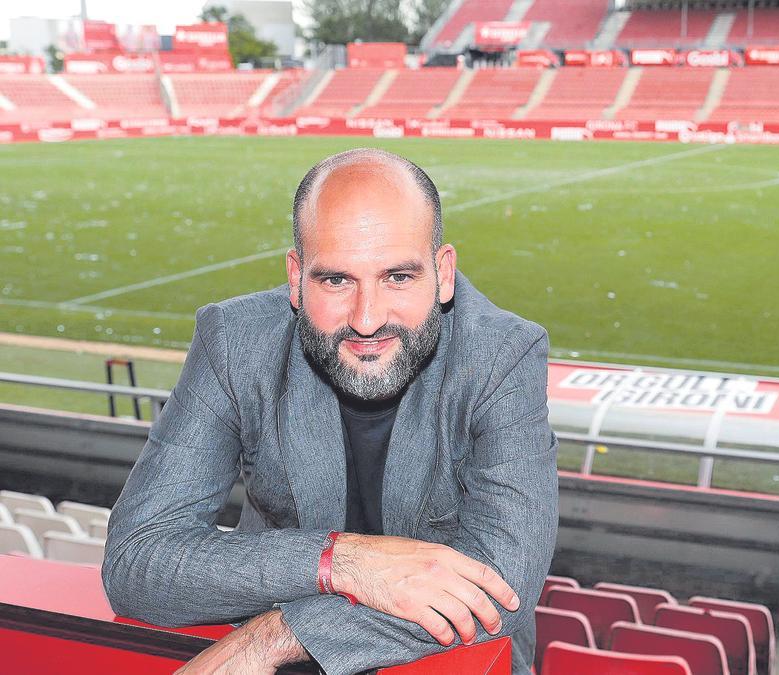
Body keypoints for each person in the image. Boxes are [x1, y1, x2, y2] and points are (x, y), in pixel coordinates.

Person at [101, 148, 559, 675]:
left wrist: (281, 634)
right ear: (296, 279)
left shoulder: (503, 355)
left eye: (399, 278)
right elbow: (137, 562)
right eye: (336, 281)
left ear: (444, 273)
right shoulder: (234, 343)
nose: (367, 320)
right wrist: (340, 561)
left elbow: (503, 583)